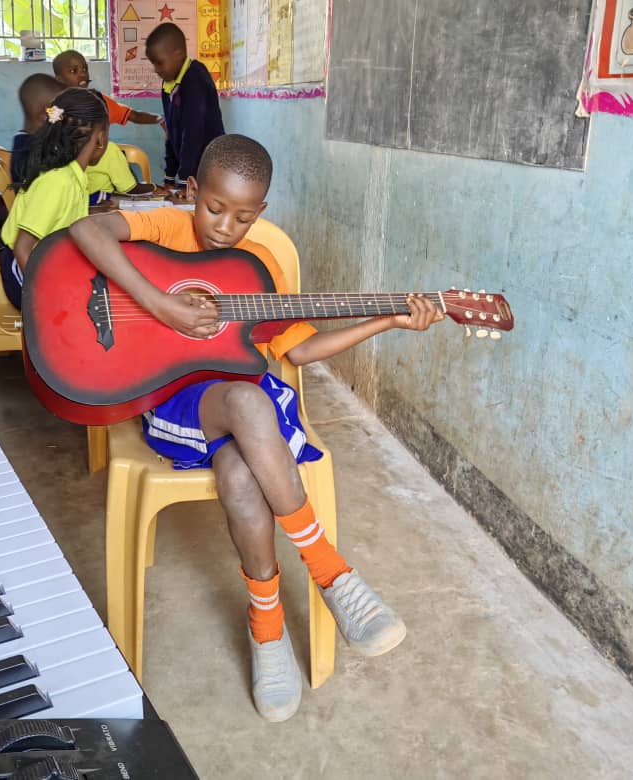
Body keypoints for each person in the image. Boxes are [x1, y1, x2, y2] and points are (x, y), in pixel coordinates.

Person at [67, 135, 443, 722]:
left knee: (242, 474)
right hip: (174, 401)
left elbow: (304, 347)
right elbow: (87, 233)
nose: (223, 227)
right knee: (244, 402)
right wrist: (161, 304)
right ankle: (328, 569)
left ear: (260, 213)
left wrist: (387, 320)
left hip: (251, 416)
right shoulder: (165, 228)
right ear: (193, 192)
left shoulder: (254, 271)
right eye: (214, 208)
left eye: (243, 217)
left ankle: (267, 629)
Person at [0, 88, 108, 306]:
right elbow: (23, 248)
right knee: (83, 306)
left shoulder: (72, 176)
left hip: (46, 262)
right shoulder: (58, 182)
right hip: (24, 270)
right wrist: (48, 297)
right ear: (101, 138)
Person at [144, 23, 224, 187]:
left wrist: (183, 180)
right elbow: (171, 135)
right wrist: (170, 178)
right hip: (189, 174)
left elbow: (193, 133)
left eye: (159, 63)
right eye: (153, 63)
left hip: (210, 168)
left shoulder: (195, 78)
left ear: (178, 54)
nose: (156, 70)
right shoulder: (168, 85)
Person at [52, 50, 163, 127]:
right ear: (59, 79)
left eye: (84, 69)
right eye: (74, 71)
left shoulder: (101, 102)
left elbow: (134, 116)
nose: (82, 75)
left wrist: (161, 118)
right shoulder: (52, 107)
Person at [10, 73, 64, 189]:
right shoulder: (30, 150)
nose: (64, 117)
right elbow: (51, 192)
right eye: (61, 110)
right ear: (46, 113)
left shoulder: (26, 141)